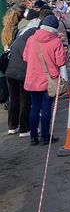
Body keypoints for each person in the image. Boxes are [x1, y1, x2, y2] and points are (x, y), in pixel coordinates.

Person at [22, 14, 68, 145]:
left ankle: (33, 136)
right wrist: (65, 55)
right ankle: (45, 136)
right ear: (54, 28)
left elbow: (25, 57)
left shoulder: (31, 39)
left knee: (34, 108)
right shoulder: (56, 42)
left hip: (32, 79)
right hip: (49, 81)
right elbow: (60, 62)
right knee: (47, 108)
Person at [5, 7, 33, 137]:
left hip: (9, 67)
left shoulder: (6, 30)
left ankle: (12, 126)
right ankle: (24, 128)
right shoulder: (20, 32)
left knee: (14, 99)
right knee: (24, 100)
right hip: (20, 67)